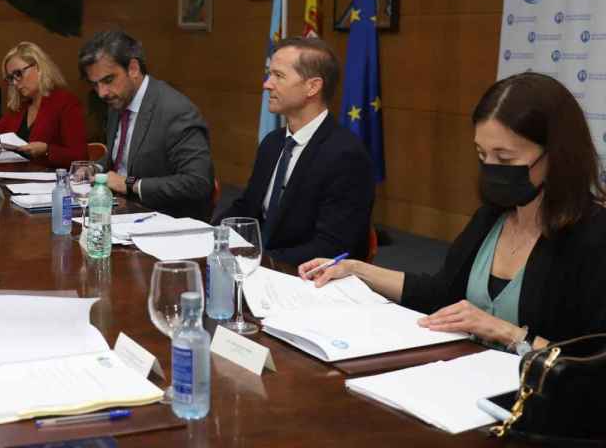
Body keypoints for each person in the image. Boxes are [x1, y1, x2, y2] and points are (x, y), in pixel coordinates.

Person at [302, 72, 606, 352]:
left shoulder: (593, 235)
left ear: (556, 154)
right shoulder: (492, 217)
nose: (490, 167)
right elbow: (441, 292)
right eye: (482, 154)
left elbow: (593, 362)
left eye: (505, 157)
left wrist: (510, 333)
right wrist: (355, 269)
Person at [217, 37, 374, 265]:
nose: (267, 84)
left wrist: (261, 262)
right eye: (270, 74)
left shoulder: (346, 156)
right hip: (260, 268)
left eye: (278, 76)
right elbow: (247, 208)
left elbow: (332, 246)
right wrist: (212, 237)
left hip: (306, 279)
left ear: (313, 86)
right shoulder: (272, 143)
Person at [79, 30, 214, 220]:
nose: (102, 93)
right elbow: (123, 158)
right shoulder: (117, 102)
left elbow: (198, 182)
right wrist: (96, 169)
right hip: (120, 214)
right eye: (95, 85)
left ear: (133, 68)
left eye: (108, 80)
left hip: (164, 223)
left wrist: (130, 184)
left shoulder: (175, 111)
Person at [0, 42, 86, 168]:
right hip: (18, 179)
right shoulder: (22, 106)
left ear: (38, 67)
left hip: (49, 187)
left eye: (18, 74)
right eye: (11, 78)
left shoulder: (66, 102)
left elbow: (79, 156)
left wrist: (47, 149)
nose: (15, 83)